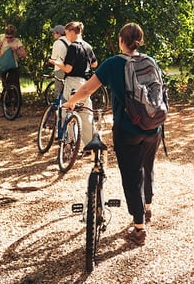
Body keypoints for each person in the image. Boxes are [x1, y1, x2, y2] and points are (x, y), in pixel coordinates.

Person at [63, 23, 161, 246]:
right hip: (153, 126)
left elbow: (88, 89)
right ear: (140, 40)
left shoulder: (114, 63)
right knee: (147, 166)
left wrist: (71, 103)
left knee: (132, 175)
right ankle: (147, 208)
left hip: (128, 130)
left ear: (120, 40)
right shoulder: (150, 61)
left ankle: (139, 228)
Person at [0, 24, 27, 98]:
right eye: (7, 37)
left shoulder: (17, 41)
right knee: (5, 83)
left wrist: (16, 50)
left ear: (13, 35)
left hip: (13, 65)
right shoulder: (3, 40)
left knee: (13, 82)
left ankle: (16, 100)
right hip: (4, 65)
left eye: (10, 37)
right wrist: (1, 57)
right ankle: (6, 100)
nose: (8, 39)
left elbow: (24, 54)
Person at [47, 24, 69, 99]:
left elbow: (53, 58)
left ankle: (60, 108)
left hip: (60, 68)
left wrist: (49, 61)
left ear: (58, 34)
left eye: (54, 33)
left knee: (58, 90)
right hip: (69, 68)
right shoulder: (70, 41)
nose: (53, 35)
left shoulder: (57, 43)